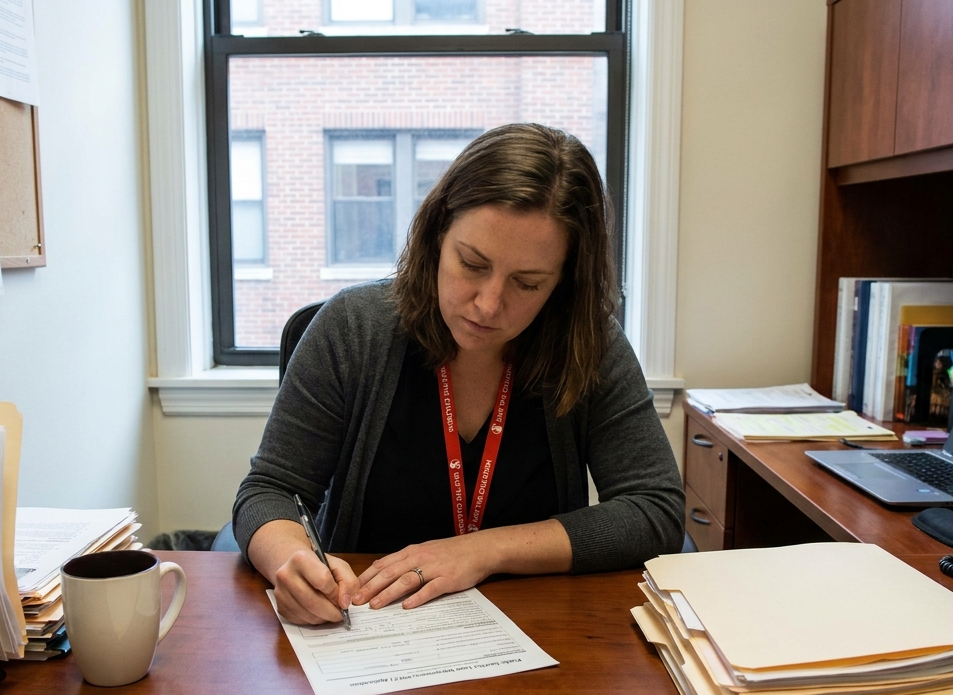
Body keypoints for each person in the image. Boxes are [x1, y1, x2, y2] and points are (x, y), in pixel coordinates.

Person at [234, 123, 685, 626]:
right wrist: (289, 561)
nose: (489, 305)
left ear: (563, 283)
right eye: (472, 264)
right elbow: (269, 490)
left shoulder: (588, 343)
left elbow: (656, 510)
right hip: (366, 630)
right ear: (436, 236)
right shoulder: (352, 330)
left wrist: (484, 551)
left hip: (536, 637)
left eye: (527, 283)